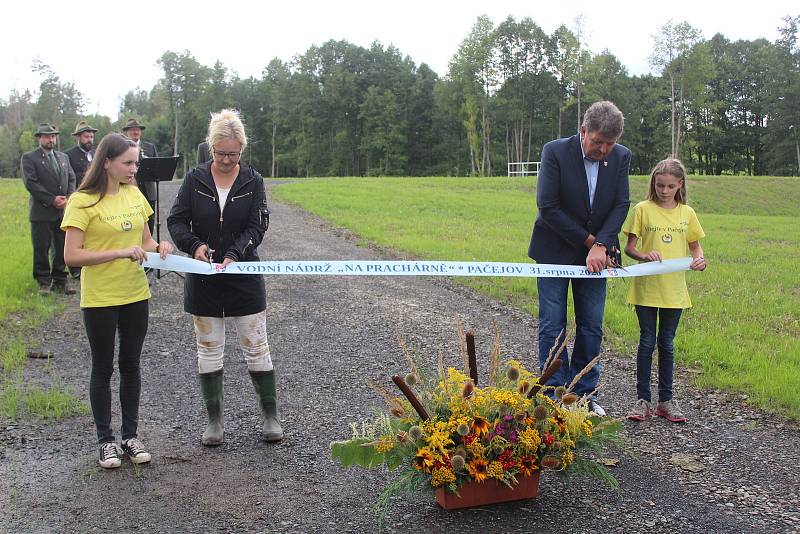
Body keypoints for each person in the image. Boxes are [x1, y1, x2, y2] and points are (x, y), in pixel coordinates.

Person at [167, 109, 280, 446]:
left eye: (234, 154)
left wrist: (235, 252)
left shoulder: (253, 181)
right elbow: (176, 221)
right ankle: (214, 421)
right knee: (209, 349)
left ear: (242, 150)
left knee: (256, 346)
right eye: (221, 153)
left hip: (243, 274)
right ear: (210, 148)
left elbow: (258, 225)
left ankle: (271, 415)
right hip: (203, 279)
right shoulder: (193, 180)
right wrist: (195, 246)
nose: (228, 160)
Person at [61, 133, 174, 469]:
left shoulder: (135, 195)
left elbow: (146, 242)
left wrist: (160, 248)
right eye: (127, 163)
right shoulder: (82, 201)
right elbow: (71, 256)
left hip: (135, 294)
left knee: (131, 365)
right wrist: (120, 252)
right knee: (103, 367)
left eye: (136, 162)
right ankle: (105, 441)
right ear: (106, 163)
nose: (133, 168)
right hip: (99, 298)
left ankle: (130, 436)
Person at [527, 101, 631, 416]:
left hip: (597, 259)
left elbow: (621, 204)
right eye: (598, 141)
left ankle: (585, 395)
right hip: (554, 252)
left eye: (610, 144)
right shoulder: (555, 152)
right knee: (552, 325)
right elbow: (548, 207)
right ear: (583, 131)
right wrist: (592, 243)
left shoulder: (621, 157)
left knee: (591, 326)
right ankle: (556, 392)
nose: (604, 149)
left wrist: (601, 245)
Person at [623, 158, 706, 424]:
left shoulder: (687, 213)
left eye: (670, 186)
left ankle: (666, 401)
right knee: (647, 342)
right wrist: (644, 255)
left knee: (667, 344)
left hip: (674, 292)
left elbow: (695, 247)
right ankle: (642, 400)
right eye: (660, 185)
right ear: (653, 183)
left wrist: (700, 260)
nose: (665, 190)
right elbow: (630, 248)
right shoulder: (642, 209)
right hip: (647, 289)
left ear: (680, 185)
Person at [21, 123, 77, 295]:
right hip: (41, 211)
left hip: (62, 211)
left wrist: (68, 198)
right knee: (41, 248)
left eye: (53, 136)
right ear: (39, 138)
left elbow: (71, 178)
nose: (50, 139)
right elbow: (31, 183)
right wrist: (52, 200)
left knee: (61, 246)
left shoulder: (63, 157)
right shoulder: (30, 158)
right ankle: (43, 282)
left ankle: (61, 280)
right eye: (46, 136)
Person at [121, 117, 158, 233]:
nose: (136, 132)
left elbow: (157, 166)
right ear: (127, 132)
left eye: (138, 129)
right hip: (129, 189)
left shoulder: (150, 147)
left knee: (149, 222)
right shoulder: (121, 147)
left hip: (148, 190)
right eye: (132, 130)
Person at [65, 120, 98, 187]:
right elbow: (67, 178)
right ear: (78, 137)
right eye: (86, 137)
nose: (89, 140)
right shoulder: (68, 155)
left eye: (91, 137)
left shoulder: (97, 154)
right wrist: (85, 174)